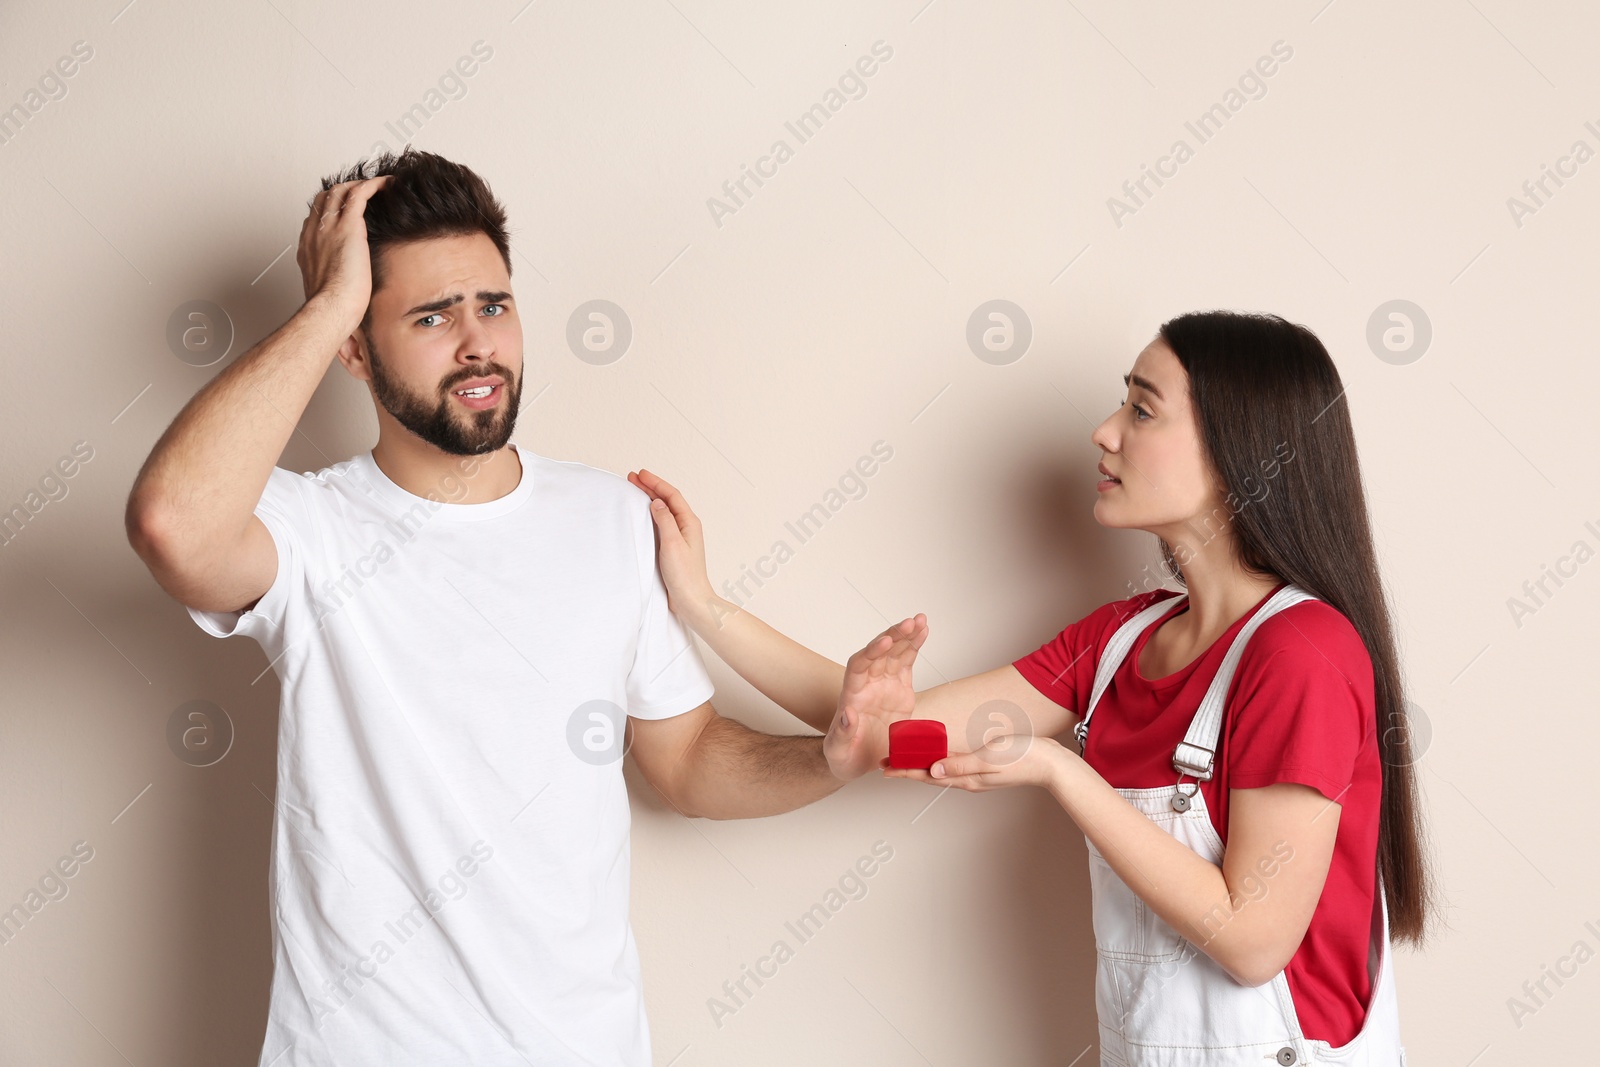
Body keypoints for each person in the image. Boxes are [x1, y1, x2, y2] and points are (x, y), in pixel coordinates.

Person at [123, 147, 912, 1067]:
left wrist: (827, 759)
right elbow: (172, 525)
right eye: (430, 316)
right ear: (353, 346)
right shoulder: (306, 528)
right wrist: (329, 301)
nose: (478, 344)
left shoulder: (613, 518)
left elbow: (688, 759)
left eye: (493, 305)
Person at [631, 310, 1436, 1065]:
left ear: (1238, 453)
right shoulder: (1121, 641)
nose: (1105, 431)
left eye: (1143, 411)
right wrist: (703, 604)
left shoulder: (1303, 652)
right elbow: (889, 730)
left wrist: (1063, 772)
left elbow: (1254, 938)